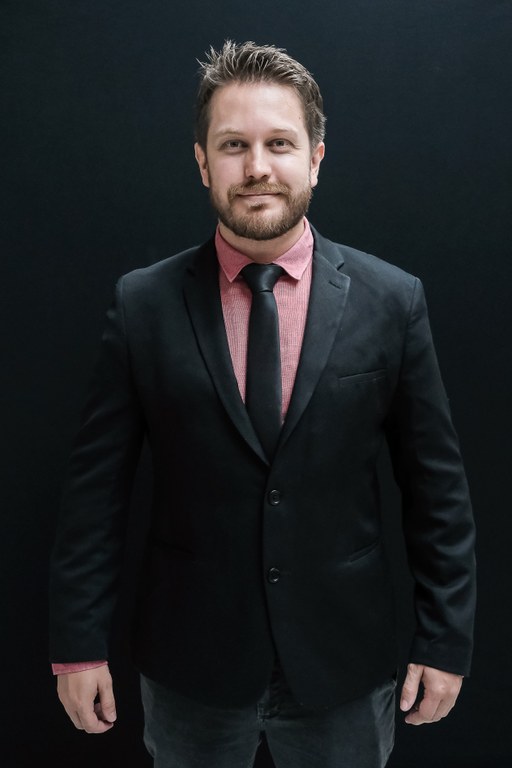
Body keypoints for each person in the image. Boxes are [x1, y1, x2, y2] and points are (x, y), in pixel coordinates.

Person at [49, 40, 476, 768]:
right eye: (233, 145)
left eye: (279, 143)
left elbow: (437, 490)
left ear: (315, 157)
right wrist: (77, 647)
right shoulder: (143, 304)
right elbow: (95, 494)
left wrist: (445, 640)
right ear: (202, 162)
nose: (256, 167)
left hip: (344, 662)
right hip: (191, 665)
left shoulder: (392, 300)